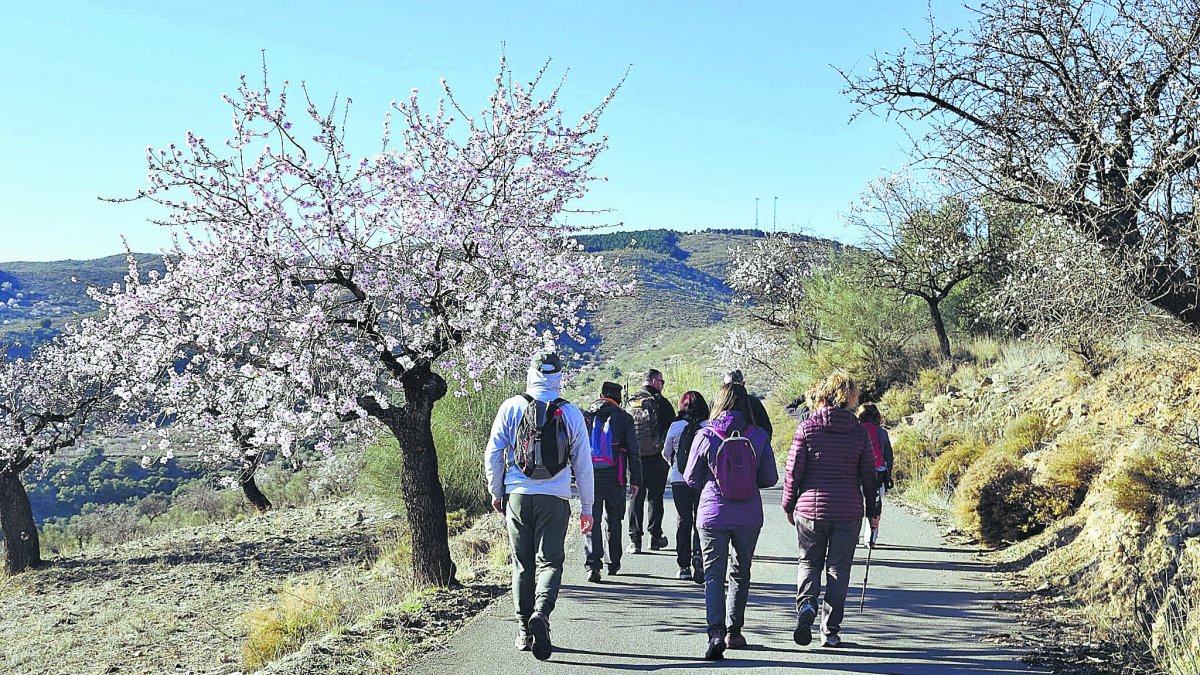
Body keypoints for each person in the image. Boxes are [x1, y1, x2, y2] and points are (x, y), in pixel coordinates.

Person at [485, 350, 595, 661]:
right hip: (555, 498)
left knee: (523, 564)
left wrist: (496, 491)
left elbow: (493, 452)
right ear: (559, 377)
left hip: (517, 495)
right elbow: (583, 464)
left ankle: (524, 630)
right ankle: (542, 614)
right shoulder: (570, 413)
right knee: (551, 562)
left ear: (531, 374)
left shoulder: (511, 407)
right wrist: (587, 507)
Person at [782, 372, 880, 649]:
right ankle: (830, 630)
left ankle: (806, 606)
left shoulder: (808, 428)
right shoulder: (860, 431)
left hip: (810, 510)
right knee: (838, 570)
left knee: (808, 563)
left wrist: (789, 504)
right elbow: (869, 477)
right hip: (848, 511)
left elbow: (792, 473)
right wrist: (873, 511)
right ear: (851, 398)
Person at [685, 382, 779, 660]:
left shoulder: (706, 434)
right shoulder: (758, 435)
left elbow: (691, 477)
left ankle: (715, 633)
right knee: (740, 573)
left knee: (714, 576)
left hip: (713, 513)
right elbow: (770, 478)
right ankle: (734, 632)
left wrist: (714, 477)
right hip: (748, 515)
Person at [583, 381, 643, 581]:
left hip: (590, 477)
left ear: (600, 394)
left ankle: (593, 564)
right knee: (614, 520)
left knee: (592, 520)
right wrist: (635, 479)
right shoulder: (624, 418)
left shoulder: (587, 416)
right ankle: (613, 562)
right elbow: (634, 452)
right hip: (615, 477)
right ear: (619, 399)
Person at [624, 369, 675, 553]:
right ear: (654, 381)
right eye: (662, 381)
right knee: (655, 498)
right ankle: (655, 537)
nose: (663, 385)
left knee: (635, 496)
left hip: (635, 459)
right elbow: (671, 429)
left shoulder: (630, 402)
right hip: (657, 458)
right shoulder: (661, 403)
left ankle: (634, 540)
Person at [662, 390, 709, 584]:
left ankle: (683, 566)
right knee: (701, 519)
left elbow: (666, 453)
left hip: (679, 479)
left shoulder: (675, 426)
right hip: (702, 480)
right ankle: (700, 556)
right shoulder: (708, 426)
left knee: (683, 520)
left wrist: (675, 465)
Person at [856, 402, 894, 546]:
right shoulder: (882, 433)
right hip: (877, 475)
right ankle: (870, 538)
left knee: (856, 507)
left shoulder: (855, 430)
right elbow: (888, 457)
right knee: (874, 507)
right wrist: (888, 475)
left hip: (857, 476)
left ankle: (852, 537)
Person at [723, 369, 773, 441]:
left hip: (722, 449)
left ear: (724, 384)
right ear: (743, 383)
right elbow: (766, 429)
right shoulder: (754, 402)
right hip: (751, 447)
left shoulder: (717, 403)